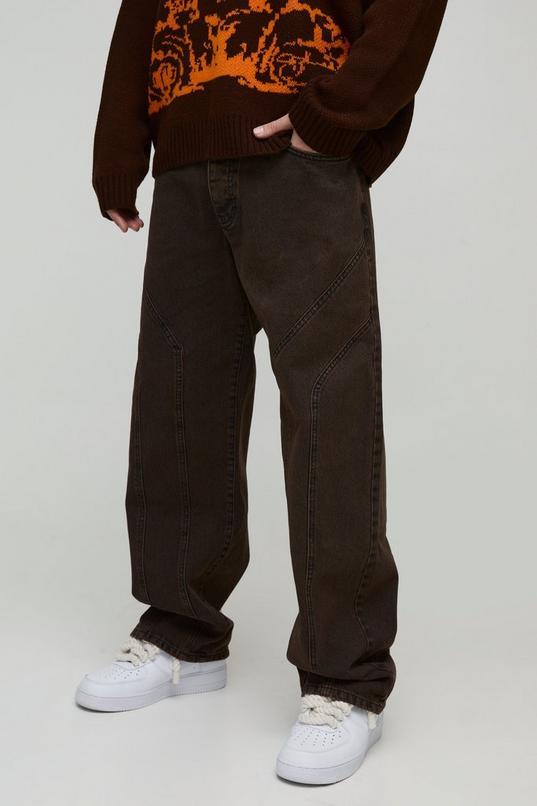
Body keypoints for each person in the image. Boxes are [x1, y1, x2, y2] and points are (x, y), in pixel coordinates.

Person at [76, 0, 447, 785]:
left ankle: (345, 681)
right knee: (178, 396)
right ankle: (181, 634)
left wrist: (332, 116)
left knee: (327, 407)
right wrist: (119, 146)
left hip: (298, 154)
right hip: (185, 156)